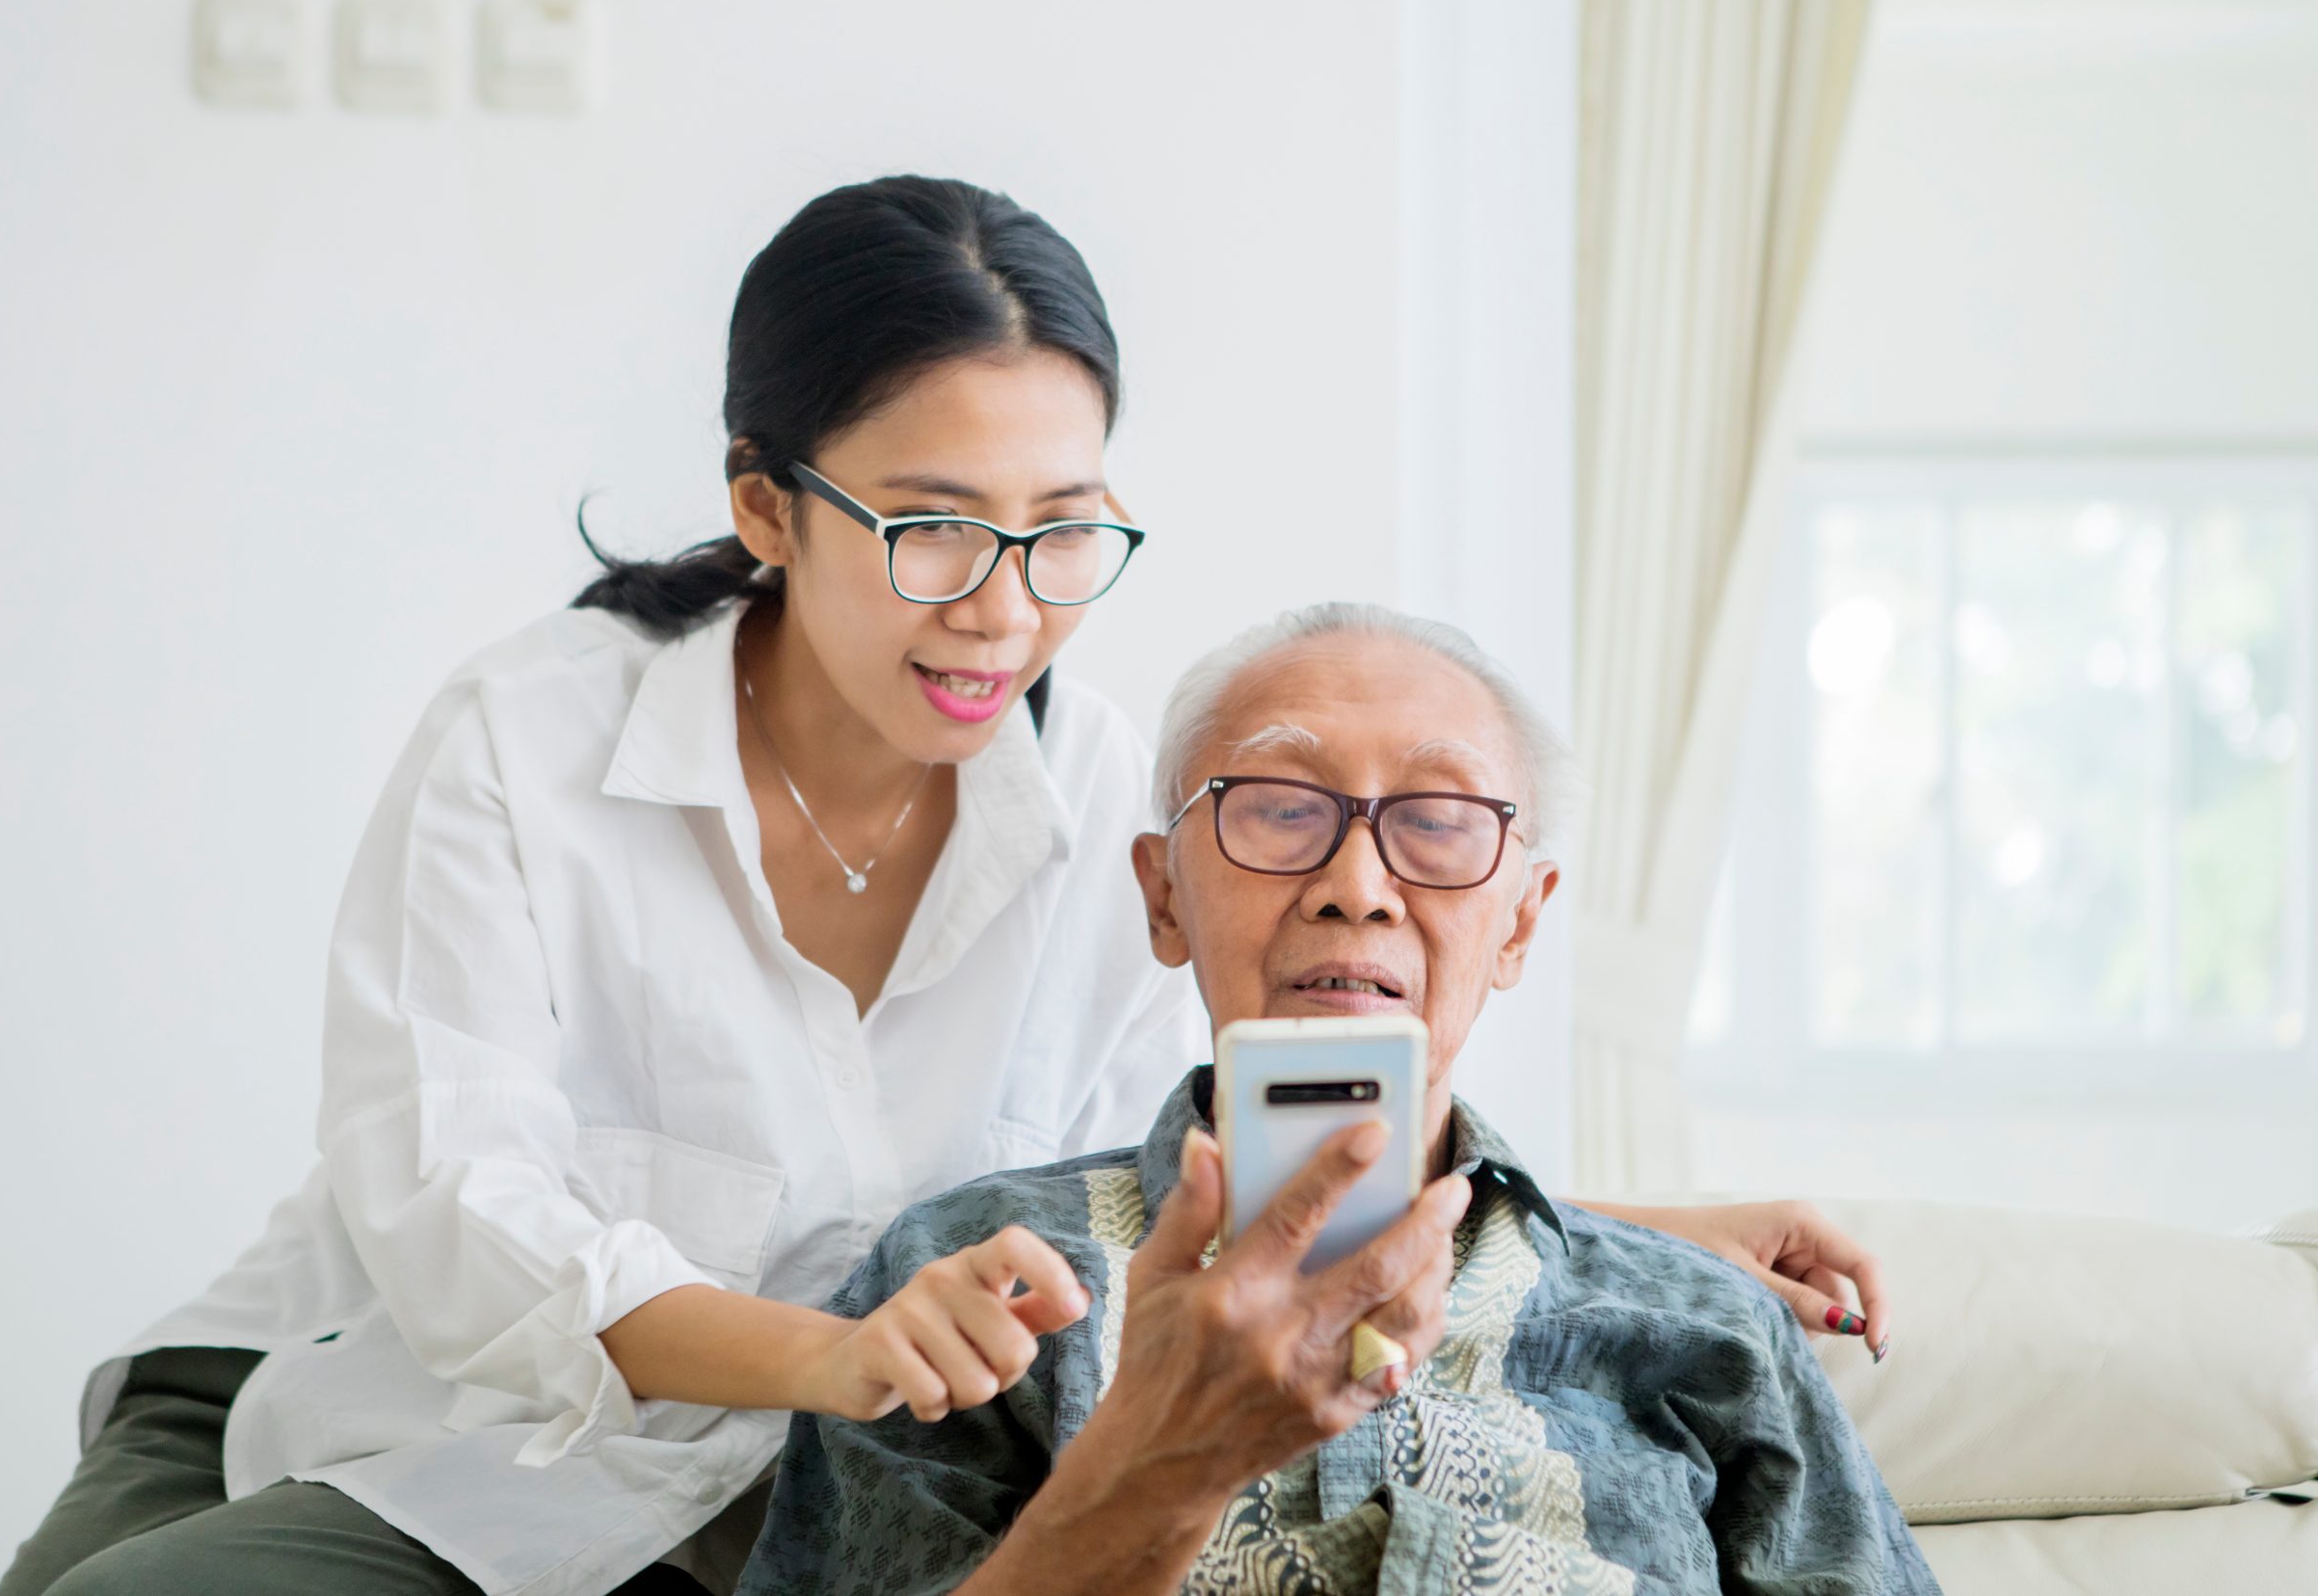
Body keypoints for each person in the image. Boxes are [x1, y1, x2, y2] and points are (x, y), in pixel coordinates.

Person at [0, 179, 1891, 1596]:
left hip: (789, 1464)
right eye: (928, 529)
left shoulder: (1099, 801)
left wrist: (1633, 1228)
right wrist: (838, 1349)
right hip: (411, 1389)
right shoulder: (531, 738)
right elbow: (460, 1222)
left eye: (1064, 534)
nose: (1003, 608)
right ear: (766, 505)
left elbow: (1207, 1143)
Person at [737, 602, 1936, 1596]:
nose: (1355, 887)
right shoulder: (974, 1281)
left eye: (1437, 821)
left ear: (1521, 920)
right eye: (1279, 810)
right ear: (1162, 898)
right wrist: (1152, 1471)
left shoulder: (1706, 1323)